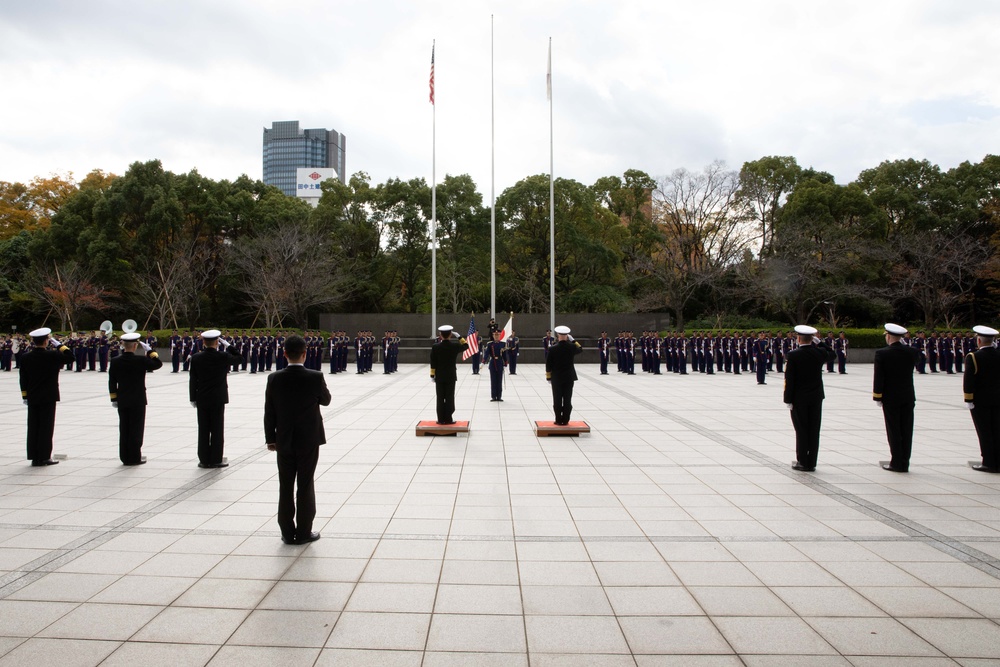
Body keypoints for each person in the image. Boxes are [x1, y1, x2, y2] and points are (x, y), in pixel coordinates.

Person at [264, 334, 331, 545]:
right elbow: (326, 400)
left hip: (283, 439)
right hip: (308, 439)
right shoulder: (315, 376)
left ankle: (286, 531)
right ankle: (304, 532)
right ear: (305, 353)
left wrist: (270, 439)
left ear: (284, 354)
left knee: (285, 484)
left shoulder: (274, 378)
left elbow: (269, 411)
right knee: (305, 483)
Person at [783, 325, 836, 472]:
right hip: (816, 397)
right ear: (812, 339)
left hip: (799, 398)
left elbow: (790, 379)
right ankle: (812, 461)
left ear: (798, 338)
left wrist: (788, 399)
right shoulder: (819, 353)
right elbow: (833, 354)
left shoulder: (793, 355)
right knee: (814, 429)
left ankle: (802, 460)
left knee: (801, 429)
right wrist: (820, 343)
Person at [19, 327, 74, 466]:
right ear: (46, 341)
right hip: (48, 396)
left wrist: (24, 395)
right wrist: (60, 345)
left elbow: (23, 378)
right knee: (46, 427)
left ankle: (34, 456)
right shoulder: (53, 355)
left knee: (33, 426)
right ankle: (44, 456)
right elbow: (70, 357)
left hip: (32, 395)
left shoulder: (25, 357)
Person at [189, 329, 242, 468]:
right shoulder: (223, 356)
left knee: (203, 428)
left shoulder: (196, 357)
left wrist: (192, 398)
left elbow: (193, 379)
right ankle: (216, 458)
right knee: (217, 429)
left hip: (202, 397)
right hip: (218, 397)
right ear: (217, 342)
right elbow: (240, 358)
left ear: (203, 342)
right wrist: (228, 345)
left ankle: (204, 459)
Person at [108, 332, 163, 465]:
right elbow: (158, 364)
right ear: (135, 346)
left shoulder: (115, 361)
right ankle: (134, 457)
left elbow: (112, 381)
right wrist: (150, 351)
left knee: (124, 427)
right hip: (138, 399)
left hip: (122, 398)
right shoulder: (141, 360)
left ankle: (124, 456)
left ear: (123, 345)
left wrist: (114, 398)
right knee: (136, 429)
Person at [872, 323, 920, 472]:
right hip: (907, 396)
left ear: (888, 336)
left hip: (890, 397)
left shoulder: (882, 353)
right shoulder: (912, 352)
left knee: (894, 430)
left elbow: (879, 377)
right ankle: (905, 462)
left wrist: (877, 396)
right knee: (907, 429)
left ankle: (896, 462)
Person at [963, 325, 1000, 473]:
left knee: (984, 431)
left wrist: (968, 399)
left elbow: (969, 380)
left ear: (978, 341)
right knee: (997, 430)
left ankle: (989, 462)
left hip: (981, 401)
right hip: (998, 400)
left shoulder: (974, 357)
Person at [429, 325, 469, 425]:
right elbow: (466, 346)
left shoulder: (436, 347)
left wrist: (432, 375)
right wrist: (459, 337)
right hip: (451, 375)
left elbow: (433, 362)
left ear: (440, 335)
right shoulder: (454, 346)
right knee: (449, 397)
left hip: (439, 376)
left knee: (440, 397)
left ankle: (440, 419)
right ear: (450, 335)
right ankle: (448, 418)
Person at [546, 325, 583, 425]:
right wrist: (574, 340)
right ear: (567, 336)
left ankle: (558, 420)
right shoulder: (571, 347)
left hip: (556, 377)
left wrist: (548, 377)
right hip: (569, 377)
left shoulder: (552, 348)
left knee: (557, 399)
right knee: (567, 399)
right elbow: (580, 349)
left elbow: (548, 364)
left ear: (558, 335)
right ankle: (566, 420)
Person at [484, 330, 507, 402]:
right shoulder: (490, 344)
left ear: (500, 336)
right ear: (493, 336)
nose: (496, 336)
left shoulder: (503, 344)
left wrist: (506, 362)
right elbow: (487, 353)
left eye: (498, 335)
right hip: (493, 363)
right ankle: (493, 396)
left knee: (499, 380)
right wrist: (483, 361)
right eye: (495, 335)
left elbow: (504, 354)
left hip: (499, 363)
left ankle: (499, 396)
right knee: (493, 380)